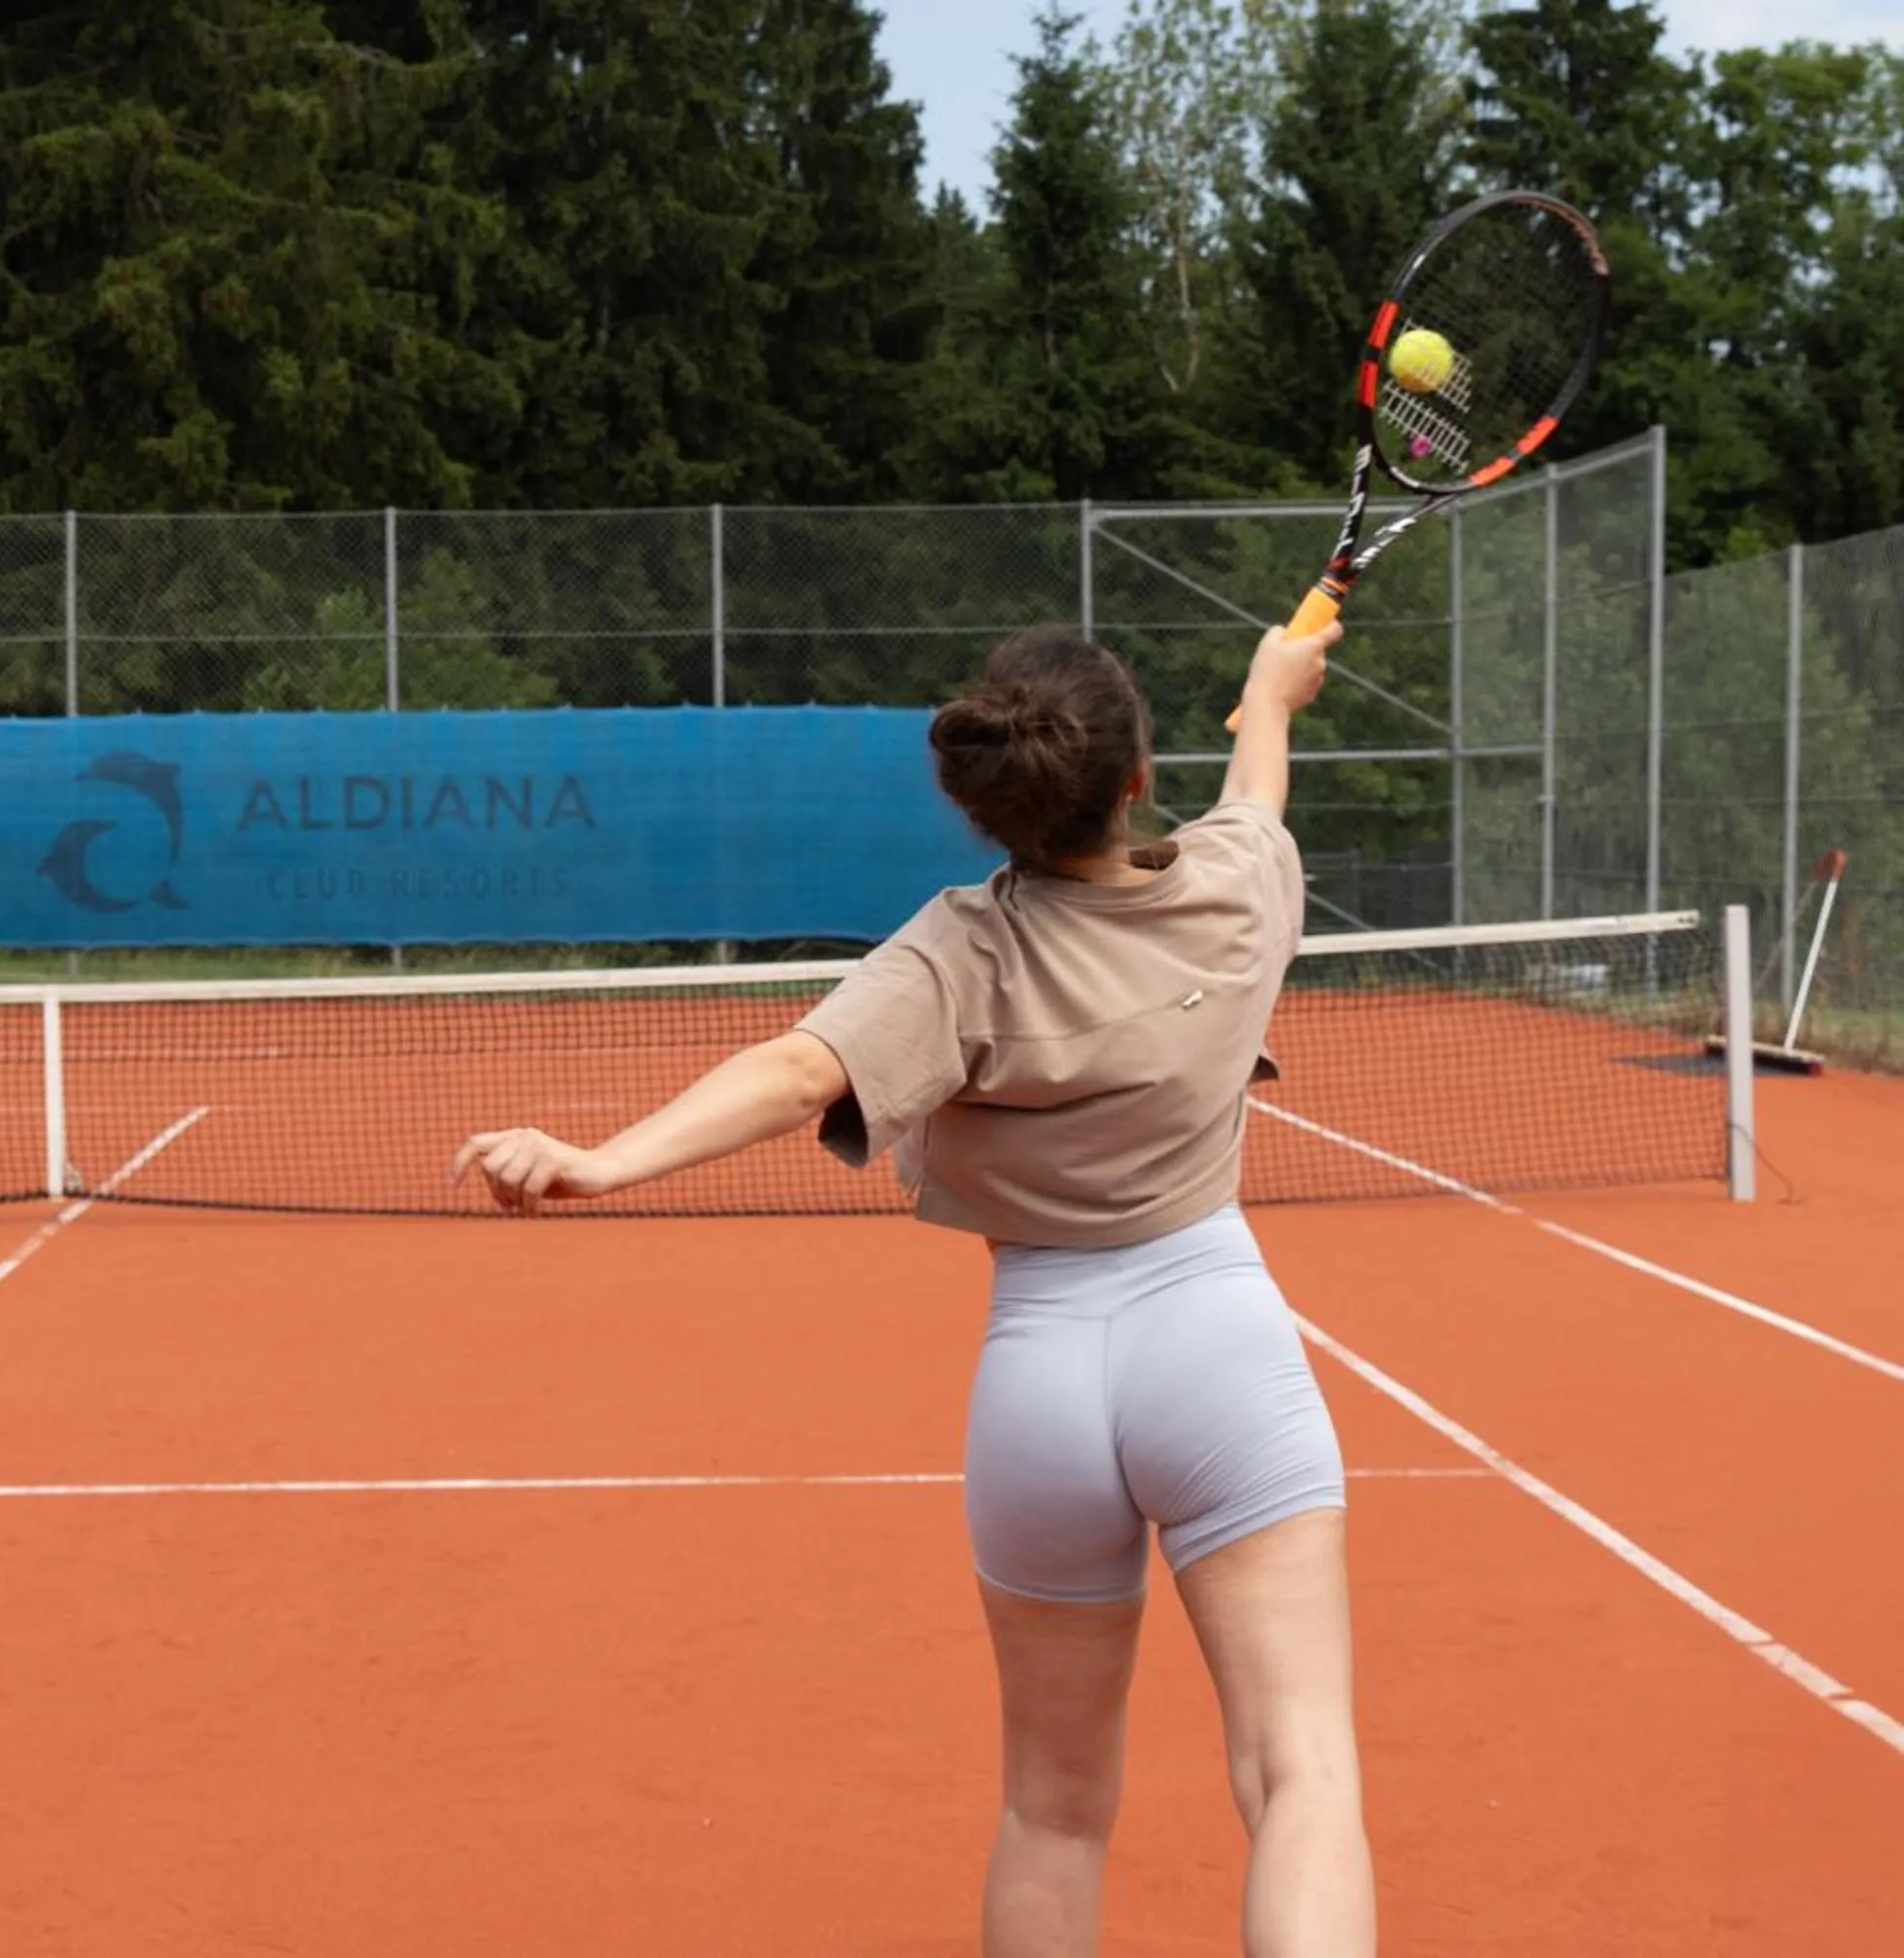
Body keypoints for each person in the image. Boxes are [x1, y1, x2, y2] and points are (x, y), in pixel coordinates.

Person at [453, 621, 1371, 1958]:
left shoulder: (957, 951)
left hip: (1041, 1377)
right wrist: (1272, 699)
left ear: (986, 804)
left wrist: (602, 1160)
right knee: (1303, 1771)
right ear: (1133, 777)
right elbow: (1253, 802)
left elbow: (793, 1071)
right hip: (1217, 1339)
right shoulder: (1241, 886)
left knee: (1054, 1812)